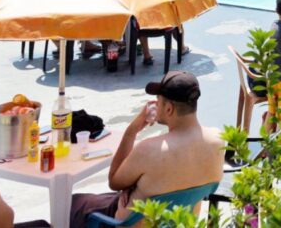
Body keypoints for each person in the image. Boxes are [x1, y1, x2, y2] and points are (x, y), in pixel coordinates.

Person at [70, 71, 224, 227]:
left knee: (73, 203)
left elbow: (115, 182)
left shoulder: (149, 150)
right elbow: (178, 181)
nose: (155, 103)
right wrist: (135, 187)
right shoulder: (218, 140)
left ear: (169, 109)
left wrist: (133, 129)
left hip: (121, 223)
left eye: (158, 100)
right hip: (178, 223)